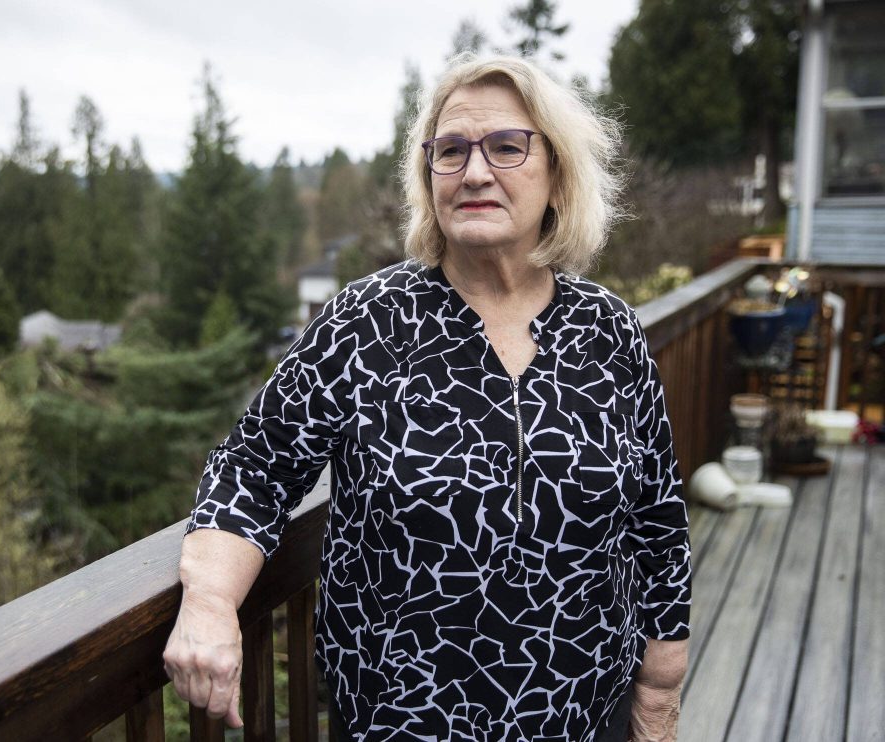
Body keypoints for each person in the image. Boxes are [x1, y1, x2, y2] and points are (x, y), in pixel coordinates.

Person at [164, 53, 691, 742]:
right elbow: (253, 468)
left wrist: (660, 690)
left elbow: (657, 519)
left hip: (584, 716)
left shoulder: (609, 330)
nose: (475, 172)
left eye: (507, 146)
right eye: (451, 151)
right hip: (401, 723)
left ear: (559, 175)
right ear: (428, 177)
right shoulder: (366, 323)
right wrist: (209, 600)